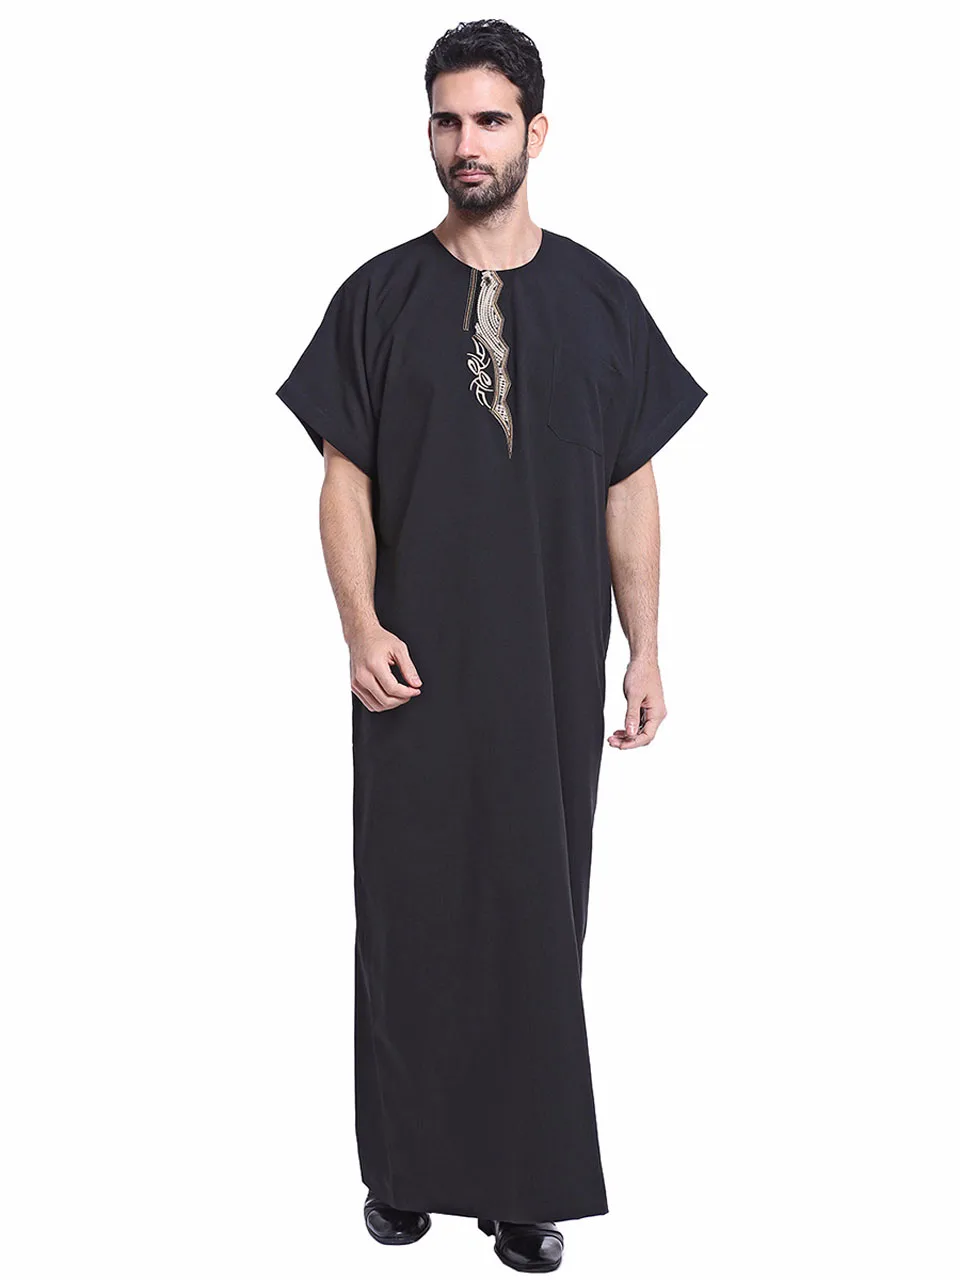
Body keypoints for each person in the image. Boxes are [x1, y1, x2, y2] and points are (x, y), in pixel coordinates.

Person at [275, 18, 707, 1274]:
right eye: (448, 120)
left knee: (532, 919)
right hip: (410, 673)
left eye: (491, 120)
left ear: (537, 132)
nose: (468, 143)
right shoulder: (378, 298)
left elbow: (629, 482)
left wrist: (645, 646)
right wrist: (359, 625)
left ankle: (524, 1184)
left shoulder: (601, 300)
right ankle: (406, 1170)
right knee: (409, 916)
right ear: (429, 132)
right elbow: (343, 479)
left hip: (548, 673)